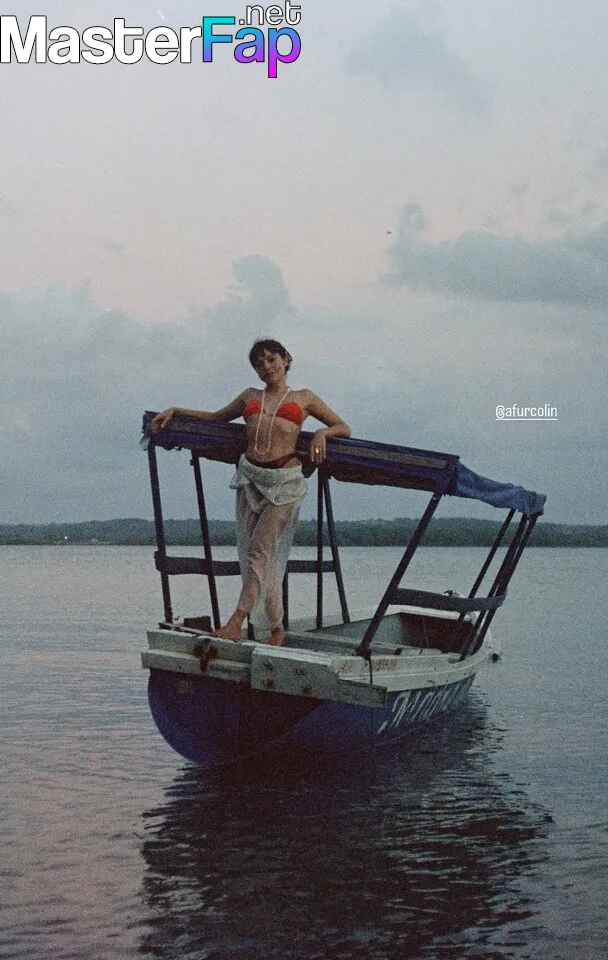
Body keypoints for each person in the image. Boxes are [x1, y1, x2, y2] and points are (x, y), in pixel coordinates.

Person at [150, 339, 351, 646]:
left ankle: (236, 621)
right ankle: (277, 629)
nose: (266, 367)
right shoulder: (250, 396)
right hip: (250, 478)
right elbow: (215, 417)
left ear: (285, 360)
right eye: (259, 364)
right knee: (258, 557)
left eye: (271, 359)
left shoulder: (304, 397)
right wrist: (175, 411)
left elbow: (343, 427)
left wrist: (322, 433)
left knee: (259, 550)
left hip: (285, 482)